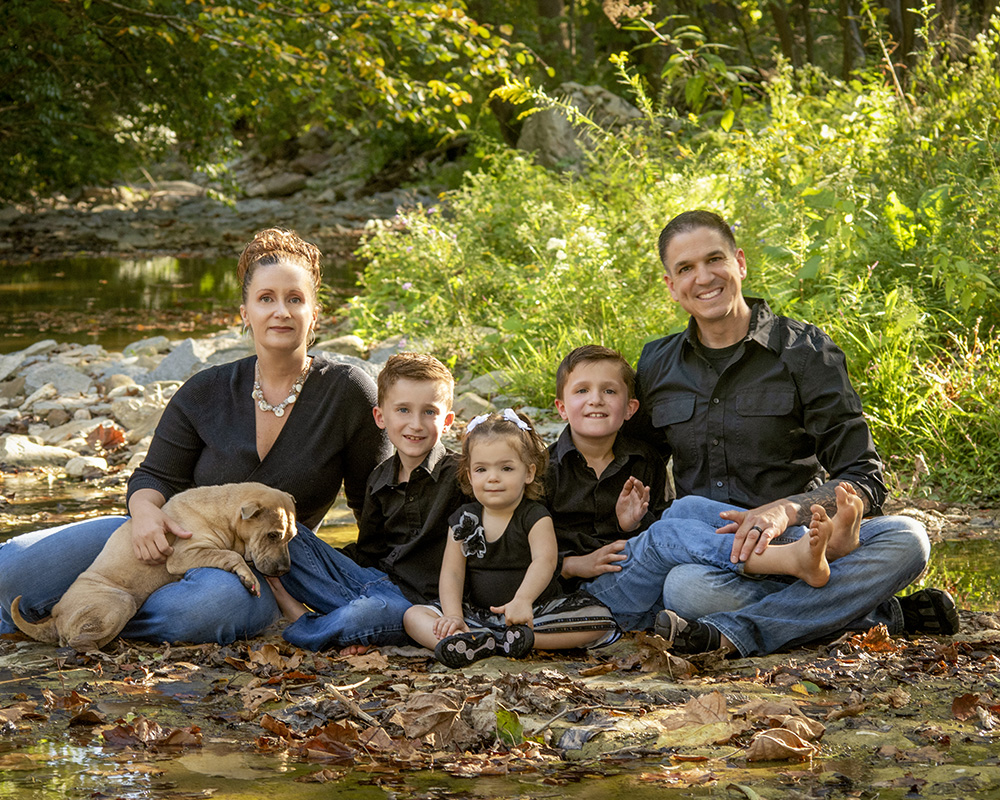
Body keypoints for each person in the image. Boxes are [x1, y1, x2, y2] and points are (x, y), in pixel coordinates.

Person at [582, 209, 956, 657]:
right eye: (685, 268)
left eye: (714, 260)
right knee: (686, 590)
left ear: (739, 263)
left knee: (908, 538)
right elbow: (629, 465)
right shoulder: (657, 364)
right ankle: (878, 616)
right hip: (708, 555)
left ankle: (741, 628)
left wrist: (785, 511)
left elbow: (864, 476)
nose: (703, 278)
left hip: (808, 543)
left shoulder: (805, 352)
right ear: (671, 285)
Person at [0, 228, 391, 644]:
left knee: (202, 610)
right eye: (266, 299)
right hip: (159, 540)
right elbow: (154, 477)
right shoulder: (205, 390)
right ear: (245, 313)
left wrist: (355, 581)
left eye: (295, 299)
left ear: (314, 314)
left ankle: (89, 619)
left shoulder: (348, 391)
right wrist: (147, 514)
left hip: (247, 568)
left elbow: (375, 502)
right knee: (10, 568)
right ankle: (83, 612)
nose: (281, 311)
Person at [269, 352, 464, 651]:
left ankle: (302, 621)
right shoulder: (379, 479)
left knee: (370, 613)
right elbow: (370, 552)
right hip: (376, 582)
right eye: (403, 410)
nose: (415, 424)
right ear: (380, 417)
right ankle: (343, 619)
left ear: (447, 420)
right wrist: (326, 560)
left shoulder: (461, 476)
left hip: (420, 607)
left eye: (429, 412)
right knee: (286, 534)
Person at [404, 409, 617, 668]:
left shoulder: (536, 517)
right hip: (476, 615)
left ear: (528, 473)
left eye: (506, 468)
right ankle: (467, 640)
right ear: (470, 476)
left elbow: (545, 562)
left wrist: (523, 600)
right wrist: (453, 615)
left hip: (534, 613)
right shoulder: (463, 519)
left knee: (599, 619)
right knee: (413, 616)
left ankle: (525, 640)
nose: (493, 477)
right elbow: (452, 572)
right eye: (481, 469)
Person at [545, 345, 669, 591]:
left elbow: (662, 530)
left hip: (632, 578)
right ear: (562, 408)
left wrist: (632, 525)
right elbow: (520, 542)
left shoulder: (646, 461)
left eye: (609, 391)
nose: (596, 400)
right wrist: (571, 564)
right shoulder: (543, 470)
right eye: (582, 390)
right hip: (561, 586)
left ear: (630, 409)